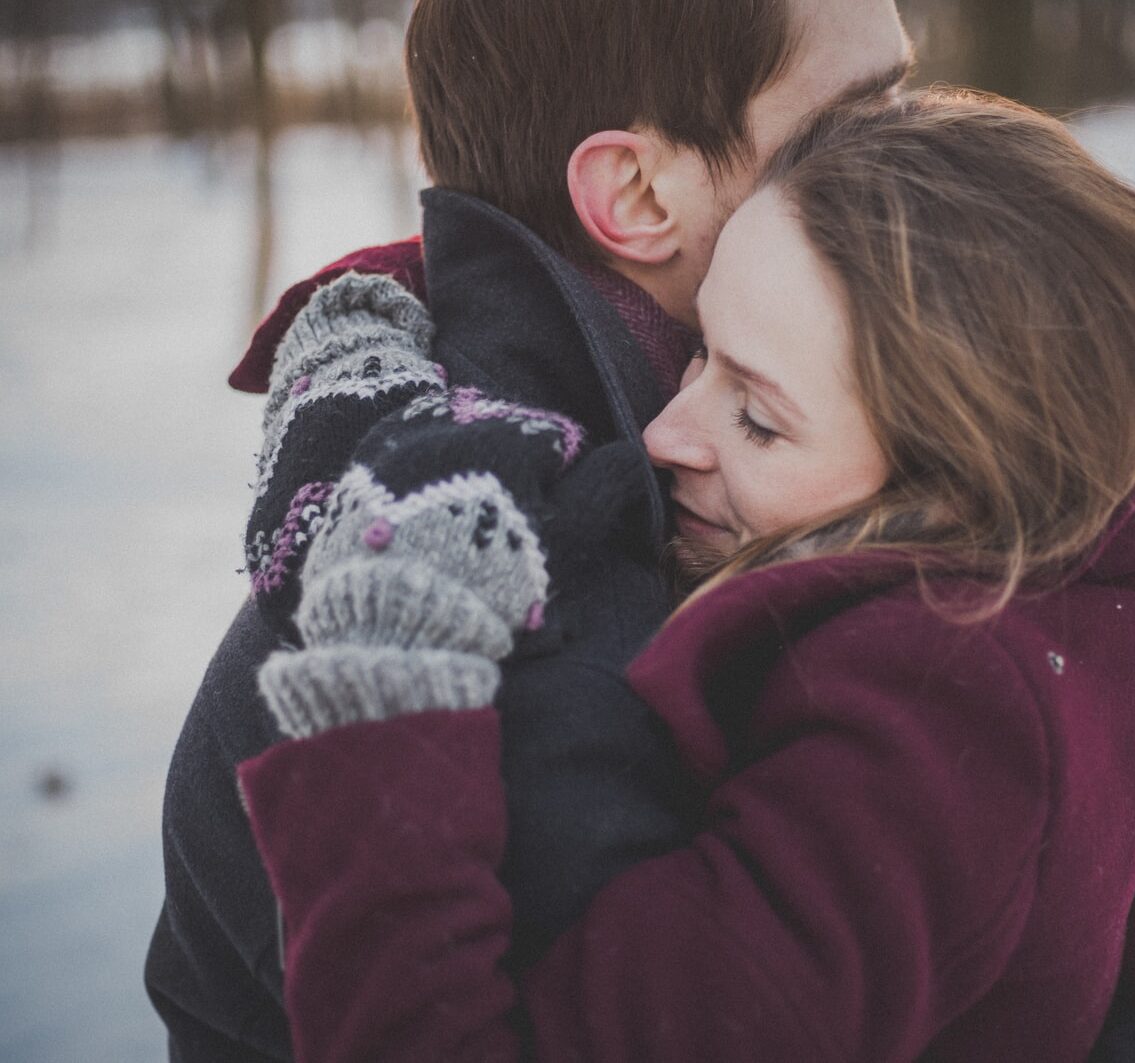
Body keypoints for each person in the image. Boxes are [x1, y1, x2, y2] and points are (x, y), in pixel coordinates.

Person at [234, 90, 1135, 1061]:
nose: (666, 434)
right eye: (698, 351)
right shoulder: (1079, 598)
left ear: (959, 489)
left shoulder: (933, 734)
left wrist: (385, 687)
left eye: (758, 418)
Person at [144, 1, 916, 1058]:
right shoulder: (529, 606)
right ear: (637, 193)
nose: (925, 149)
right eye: (858, 118)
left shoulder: (707, 464)